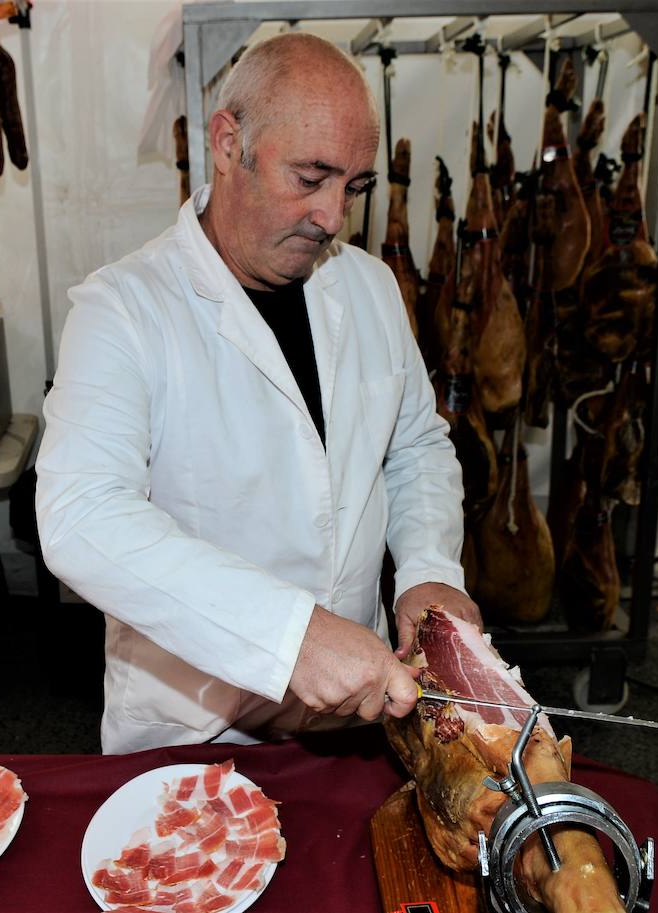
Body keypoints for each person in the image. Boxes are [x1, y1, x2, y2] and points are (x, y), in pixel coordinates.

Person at [35, 32, 478, 755]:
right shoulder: (122, 310)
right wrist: (290, 635)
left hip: (357, 716)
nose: (334, 216)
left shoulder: (367, 286)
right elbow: (81, 515)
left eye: (354, 187)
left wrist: (428, 569)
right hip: (202, 732)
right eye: (311, 177)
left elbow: (415, 447)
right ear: (226, 141)